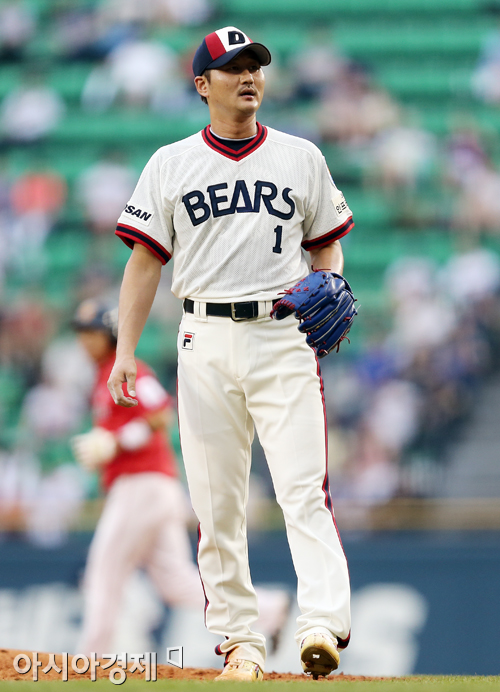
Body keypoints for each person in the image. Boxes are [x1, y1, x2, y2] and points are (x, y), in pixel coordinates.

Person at [108, 26, 353, 681]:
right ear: (202, 84)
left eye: (255, 66)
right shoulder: (171, 163)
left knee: (304, 492)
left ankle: (322, 625)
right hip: (204, 338)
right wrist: (126, 350)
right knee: (217, 506)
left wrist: (331, 278)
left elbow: (327, 240)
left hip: (281, 336)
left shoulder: (301, 156)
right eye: (233, 67)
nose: (249, 77)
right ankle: (240, 643)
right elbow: (143, 264)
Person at [71, 298, 289, 657]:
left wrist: (115, 441)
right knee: (175, 582)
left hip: (142, 487)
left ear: (108, 333)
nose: (84, 340)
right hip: (151, 489)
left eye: (91, 332)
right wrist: (113, 444)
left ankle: (90, 658)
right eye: (80, 332)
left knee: (103, 571)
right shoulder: (103, 373)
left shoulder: (129, 369)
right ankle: (268, 610)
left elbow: (159, 412)